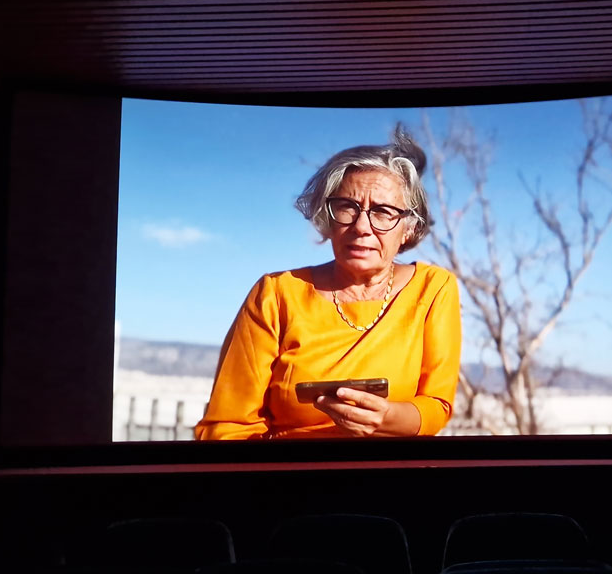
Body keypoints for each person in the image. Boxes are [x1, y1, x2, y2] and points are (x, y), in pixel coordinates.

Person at [195, 127, 461, 440]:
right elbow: (227, 426)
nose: (362, 226)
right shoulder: (276, 294)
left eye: (383, 212)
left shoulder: (433, 288)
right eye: (348, 207)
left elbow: (436, 405)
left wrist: (386, 417)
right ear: (327, 217)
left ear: (408, 228)